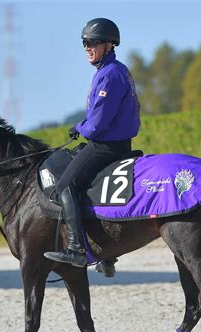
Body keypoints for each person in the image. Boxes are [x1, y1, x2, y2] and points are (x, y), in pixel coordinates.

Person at [44, 17, 141, 267]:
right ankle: (106, 254)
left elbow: (97, 124)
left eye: (93, 42)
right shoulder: (115, 70)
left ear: (109, 45)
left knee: (64, 186)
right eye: (85, 42)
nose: (88, 47)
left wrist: (79, 127)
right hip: (120, 145)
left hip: (105, 147)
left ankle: (76, 248)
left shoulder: (109, 75)